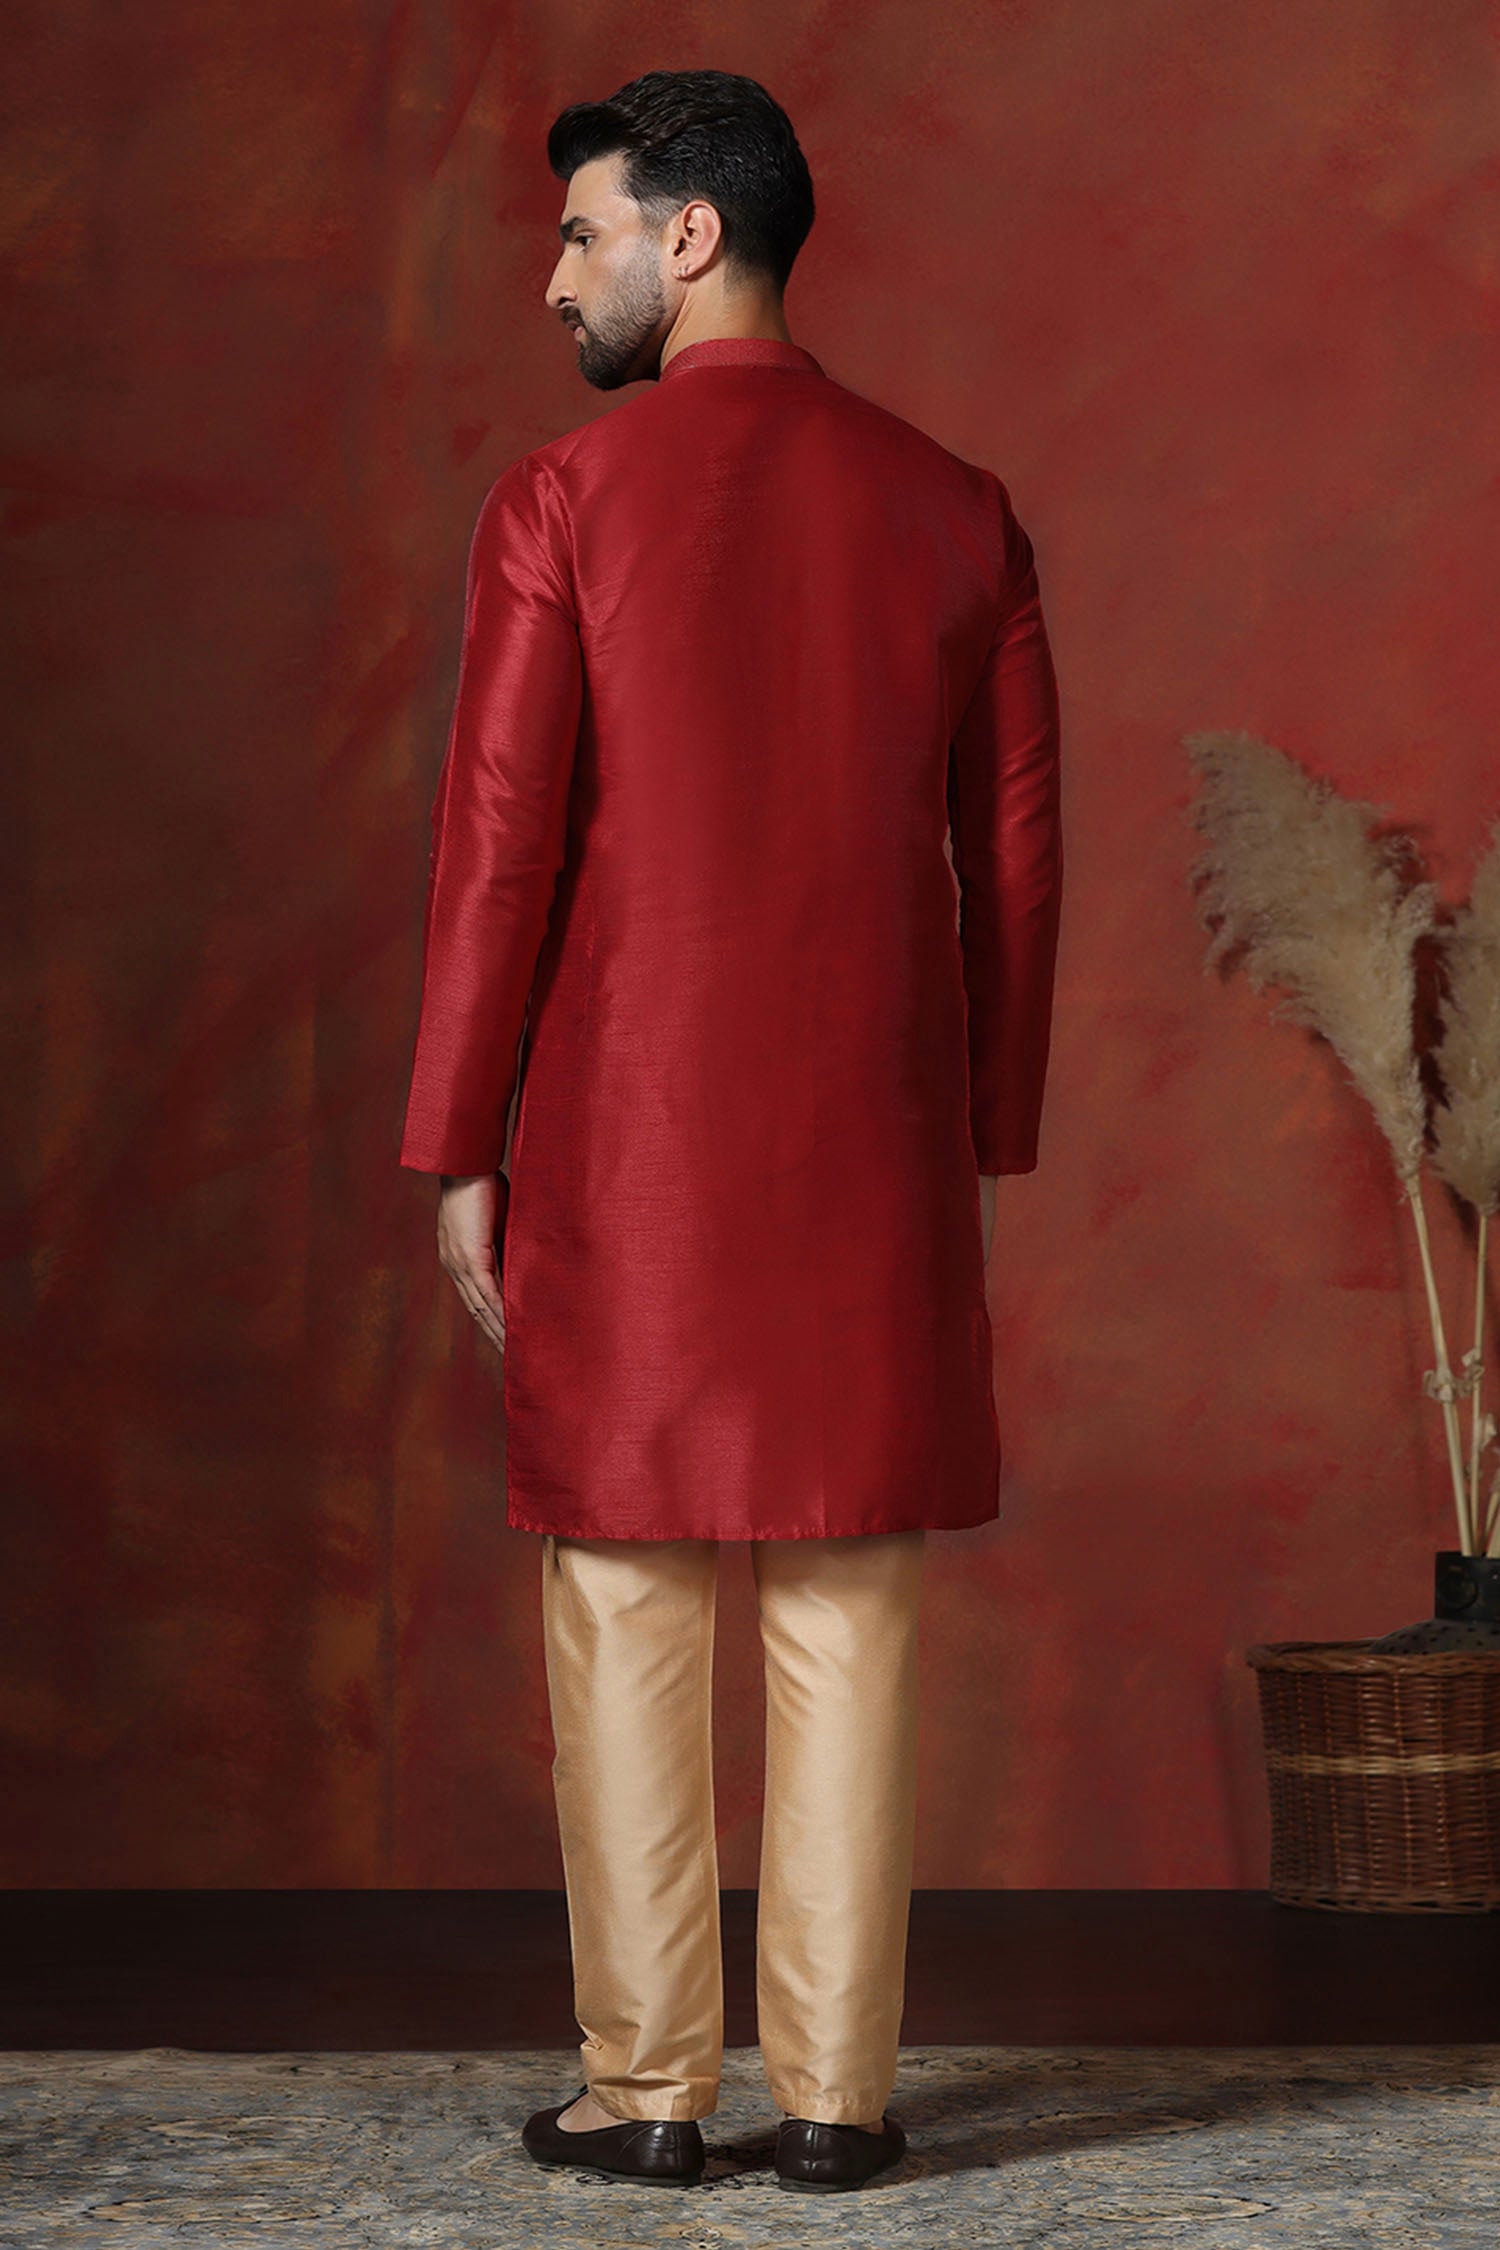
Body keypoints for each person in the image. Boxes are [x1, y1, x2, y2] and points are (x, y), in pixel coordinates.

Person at [398, 67, 1063, 2193]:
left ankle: (649, 2087)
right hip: (876, 1135)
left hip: (634, 1130)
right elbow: (1014, 862)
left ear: (690, 238)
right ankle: (840, 2101)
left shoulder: (561, 500)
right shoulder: (960, 506)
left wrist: (461, 1140)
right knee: (849, 1600)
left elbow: (502, 849)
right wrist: (986, 1128)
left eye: (582, 230)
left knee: (626, 1589)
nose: (555, 274)